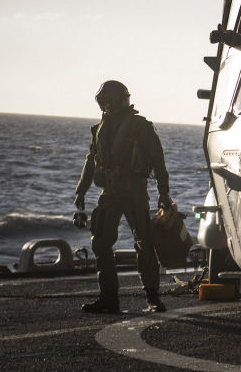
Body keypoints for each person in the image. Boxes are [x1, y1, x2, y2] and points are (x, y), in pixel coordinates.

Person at [74, 80, 174, 314]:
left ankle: (153, 298)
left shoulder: (141, 127)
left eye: (108, 100)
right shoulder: (100, 127)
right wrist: (81, 189)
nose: (105, 105)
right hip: (109, 193)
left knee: (145, 244)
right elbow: (91, 160)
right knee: (100, 243)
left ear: (117, 99)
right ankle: (108, 298)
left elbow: (158, 160)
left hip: (135, 193)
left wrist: (163, 192)